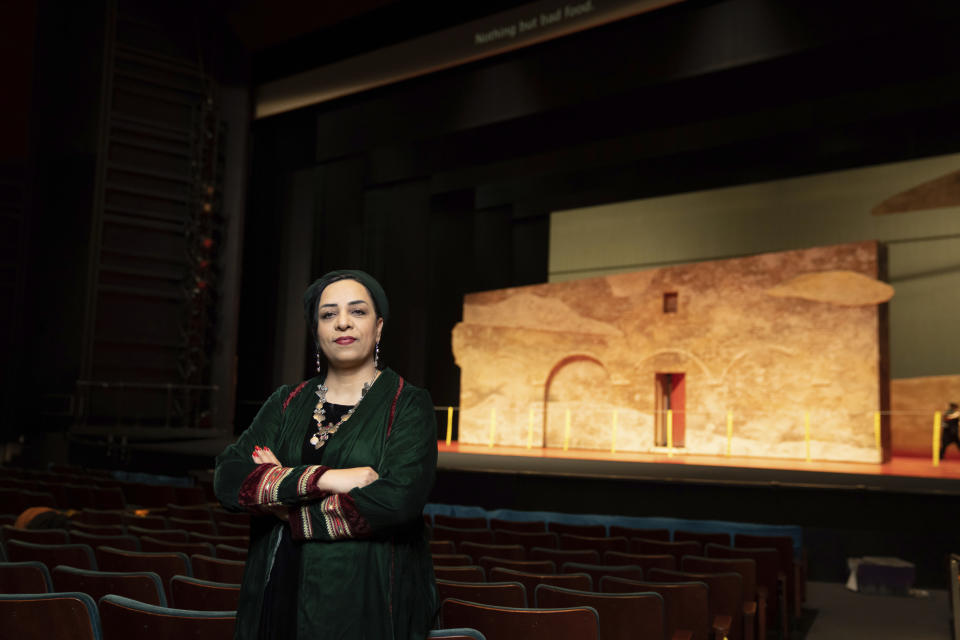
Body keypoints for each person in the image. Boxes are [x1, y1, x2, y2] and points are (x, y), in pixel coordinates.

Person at [214, 270, 438, 639]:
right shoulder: (286, 402)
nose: (343, 323)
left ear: (379, 328)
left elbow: (397, 501)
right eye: (328, 314)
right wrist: (326, 478)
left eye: (358, 312)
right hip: (277, 589)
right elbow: (228, 478)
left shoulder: (408, 404)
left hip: (365, 599)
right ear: (316, 331)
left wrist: (283, 506)